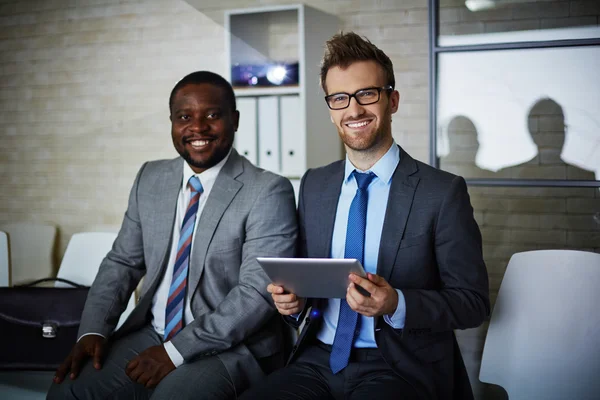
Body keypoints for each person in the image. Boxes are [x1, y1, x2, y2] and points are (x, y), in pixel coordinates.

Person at [240, 32, 490, 400]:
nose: (353, 110)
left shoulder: (442, 192)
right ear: (330, 110)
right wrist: (294, 303)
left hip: (398, 367)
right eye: (340, 98)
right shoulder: (314, 184)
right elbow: (310, 280)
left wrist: (396, 304)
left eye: (367, 94)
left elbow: (473, 303)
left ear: (393, 100)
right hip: (316, 361)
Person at [47, 71, 298, 400]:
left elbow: (256, 294)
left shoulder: (267, 190)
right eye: (184, 117)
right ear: (171, 122)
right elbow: (122, 262)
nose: (197, 127)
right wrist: (93, 330)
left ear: (234, 120)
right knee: (68, 392)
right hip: (154, 332)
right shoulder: (150, 178)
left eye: (212, 115)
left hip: (234, 347)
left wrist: (174, 353)